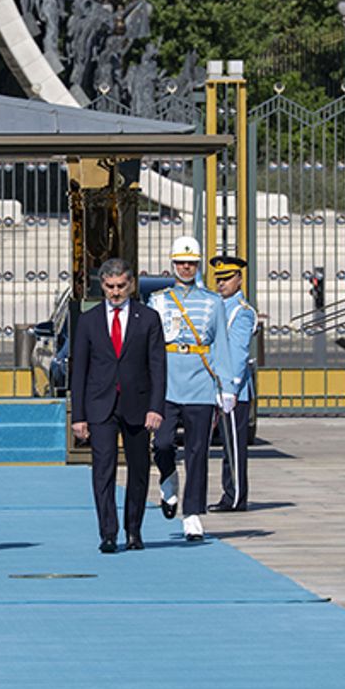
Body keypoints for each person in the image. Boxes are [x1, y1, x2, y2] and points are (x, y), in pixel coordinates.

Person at [70, 258, 166, 553]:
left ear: (131, 285)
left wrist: (156, 407)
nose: (115, 292)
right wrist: (78, 415)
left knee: (138, 469)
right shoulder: (88, 320)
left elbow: (158, 366)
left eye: (121, 286)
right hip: (101, 406)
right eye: (110, 286)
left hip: (137, 405)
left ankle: (134, 530)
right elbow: (79, 370)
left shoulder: (148, 318)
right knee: (103, 469)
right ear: (102, 285)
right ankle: (108, 533)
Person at [149, 237, 235, 541]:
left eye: (191, 263)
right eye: (181, 263)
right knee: (162, 443)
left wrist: (227, 385)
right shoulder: (159, 300)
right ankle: (168, 477)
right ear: (173, 264)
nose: (186, 268)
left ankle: (193, 513)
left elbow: (220, 344)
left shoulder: (212, 302)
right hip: (168, 382)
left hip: (200, 382)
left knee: (198, 451)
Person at [207, 255, 256, 513]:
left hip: (232, 390)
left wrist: (231, 388)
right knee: (225, 445)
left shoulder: (242, 312)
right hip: (215, 386)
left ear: (239, 279)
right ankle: (229, 493)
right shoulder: (217, 306)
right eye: (219, 279)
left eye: (226, 278)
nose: (221, 283)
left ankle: (235, 496)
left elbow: (238, 354)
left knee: (234, 448)